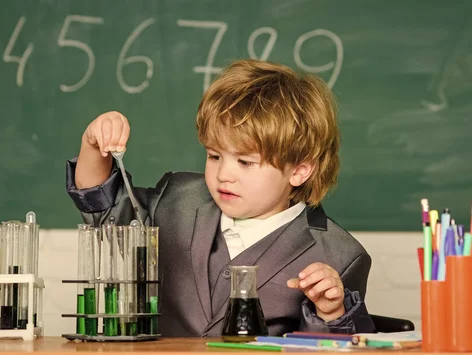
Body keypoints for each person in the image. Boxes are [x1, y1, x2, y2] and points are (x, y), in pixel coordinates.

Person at [66, 59, 375, 336]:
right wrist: (94, 145)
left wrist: (331, 312)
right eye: (214, 156)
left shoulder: (340, 256)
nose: (224, 174)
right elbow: (105, 209)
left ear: (299, 170)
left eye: (245, 162)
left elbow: (342, 344)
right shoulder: (177, 201)